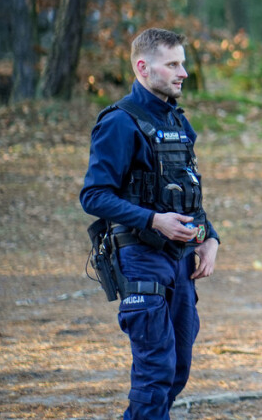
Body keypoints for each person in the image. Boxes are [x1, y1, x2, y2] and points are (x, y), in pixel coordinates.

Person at [80, 27, 219, 419]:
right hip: (141, 260)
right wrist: (154, 220)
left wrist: (210, 237)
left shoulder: (177, 122)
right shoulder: (119, 123)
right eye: (172, 64)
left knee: (176, 370)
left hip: (180, 263)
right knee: (155, 371)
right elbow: (93, 196)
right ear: (143, 67)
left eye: (183, 64)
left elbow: (188, 191)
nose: (183, 73)